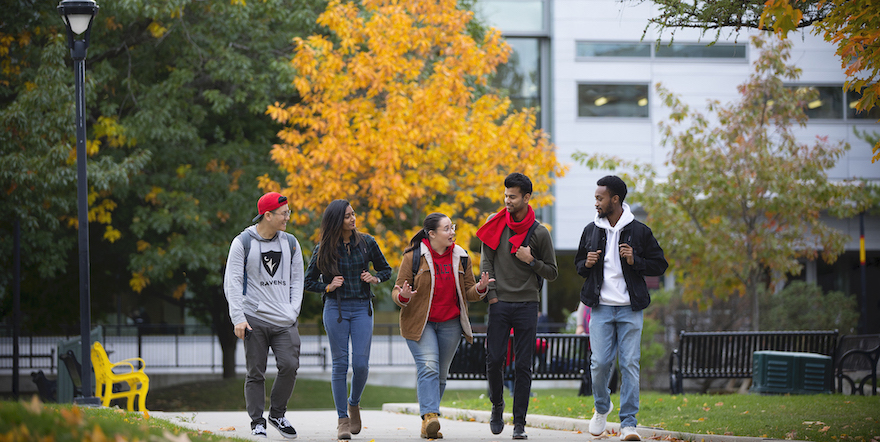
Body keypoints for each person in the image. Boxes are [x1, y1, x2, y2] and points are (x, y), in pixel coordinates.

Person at [574, 175, 668, 441]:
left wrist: (635, 259)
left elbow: (660, 265)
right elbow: (579, 265)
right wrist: (588, 264)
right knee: (600, 363)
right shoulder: (591, 230)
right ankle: (602, 407)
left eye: (599, 198)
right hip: (601, 308)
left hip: (630, 308)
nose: (596, 202)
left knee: (629, 364)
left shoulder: (640, 231)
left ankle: (628, 424)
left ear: (615, 199)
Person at [392, 213, 493, 439]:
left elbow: (468, 292)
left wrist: (480, 289)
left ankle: (427, 424)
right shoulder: (413, 256)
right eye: (447, 228)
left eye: (452, 227)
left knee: (440, 374)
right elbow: (397, 292)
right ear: (432, 233)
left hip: (450, 324)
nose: (452, 232)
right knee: (429, 366)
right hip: (421, 323)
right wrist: (404, 296)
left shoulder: (461, 257)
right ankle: (430, 416)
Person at [477, 172, 558, 440]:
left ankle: (520, 423)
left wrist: (531, 261)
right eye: (505, 195)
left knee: (524, 365)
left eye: (512, 196)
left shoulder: (540, 233)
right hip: (500, 303)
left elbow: (552, 272)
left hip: (527, 304)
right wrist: (492, 296)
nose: (507, 200)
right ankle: (497, 406)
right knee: (495, 359)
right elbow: (486, 262)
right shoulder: (495, 223)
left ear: (526, 197)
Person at [304, 199, 392, 440]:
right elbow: (308, 281)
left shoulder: (367, 243)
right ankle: (342, 419)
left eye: (353, 214)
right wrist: (328, 286)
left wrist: (374, 278)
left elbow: (386, 270)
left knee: (361, 365)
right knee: (340, 365)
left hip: (363, 308)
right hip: (336, 310)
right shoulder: (323, 247)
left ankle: (354, 403)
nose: (353, 219)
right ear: (336, 221)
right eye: (347, 216)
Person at [223, 191, 304, 439]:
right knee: (255, 372)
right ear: (267, 215)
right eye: (283, 213)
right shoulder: (242, 243)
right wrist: (238, 317)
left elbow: (297, 280)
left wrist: (292, 310)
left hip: (284, 319)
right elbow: (233, 282)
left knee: (289, 365)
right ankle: (257, 422)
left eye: (288, 212)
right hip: (254, 318)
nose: (287, 217)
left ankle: (277, 414)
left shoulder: (290, 243)